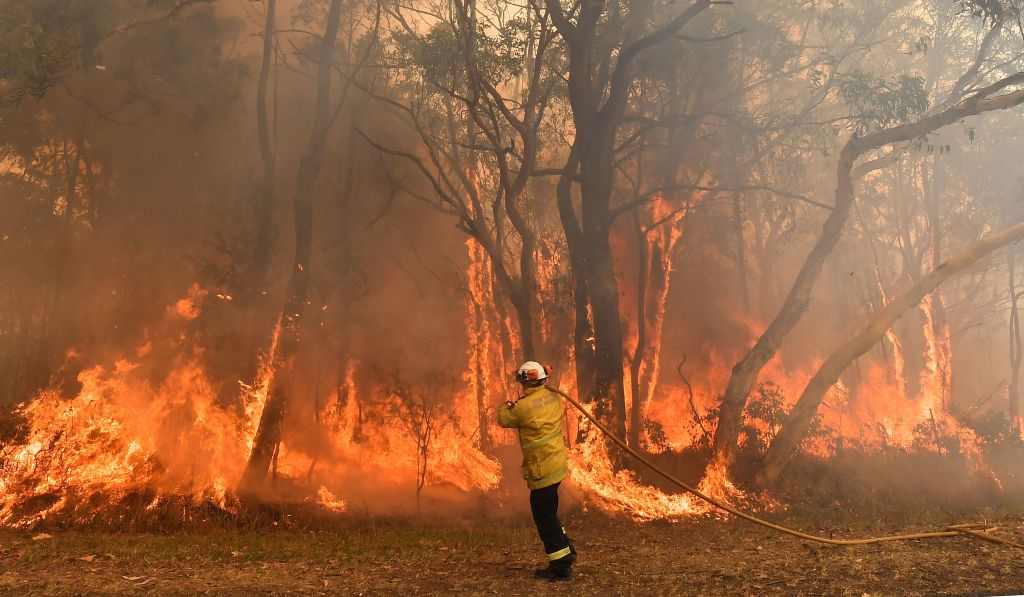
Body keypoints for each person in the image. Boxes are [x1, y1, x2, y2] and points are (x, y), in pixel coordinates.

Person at [497, 361, 576, 581]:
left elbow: (503, 419)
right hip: (556, 466)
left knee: (544, 517)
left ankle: (561, 565)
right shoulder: (555, 398)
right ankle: (566, 552)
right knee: (549, 513)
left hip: (542, 470)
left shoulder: (522, 408)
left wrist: (507, 404)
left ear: (523, 381)